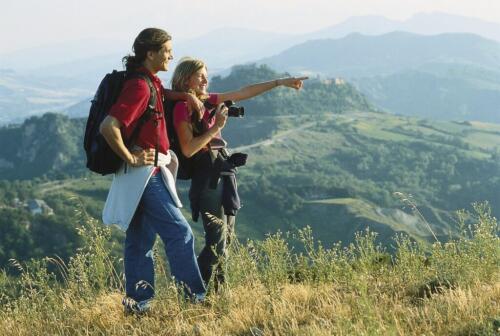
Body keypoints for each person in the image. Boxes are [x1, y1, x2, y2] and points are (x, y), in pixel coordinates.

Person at [170, 57, 307, 289]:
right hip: (207, 177)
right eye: (200, 75)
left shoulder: (206, 100)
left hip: (221, 171)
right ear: (186, 79)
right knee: (217, 240)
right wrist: (216, 128)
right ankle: (193, 291)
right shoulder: (182, 107)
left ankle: (217, 292)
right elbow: (188, 149)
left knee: (227, 238)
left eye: (206, 74)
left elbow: (244, 92)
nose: (206, 79)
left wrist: (280, 82)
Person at [99, 28, 206, 314]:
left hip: (143, 174)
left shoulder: (150, 82)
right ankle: (193, 299)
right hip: (146, 173)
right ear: (151, 53)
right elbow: (109, 126)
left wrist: (186, 96)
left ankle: (138, 304)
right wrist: (130, 157)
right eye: (167, 50)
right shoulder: (140, 87)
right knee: (180, 233)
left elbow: (162, 93)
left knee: (140, 241)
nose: (171, 55)